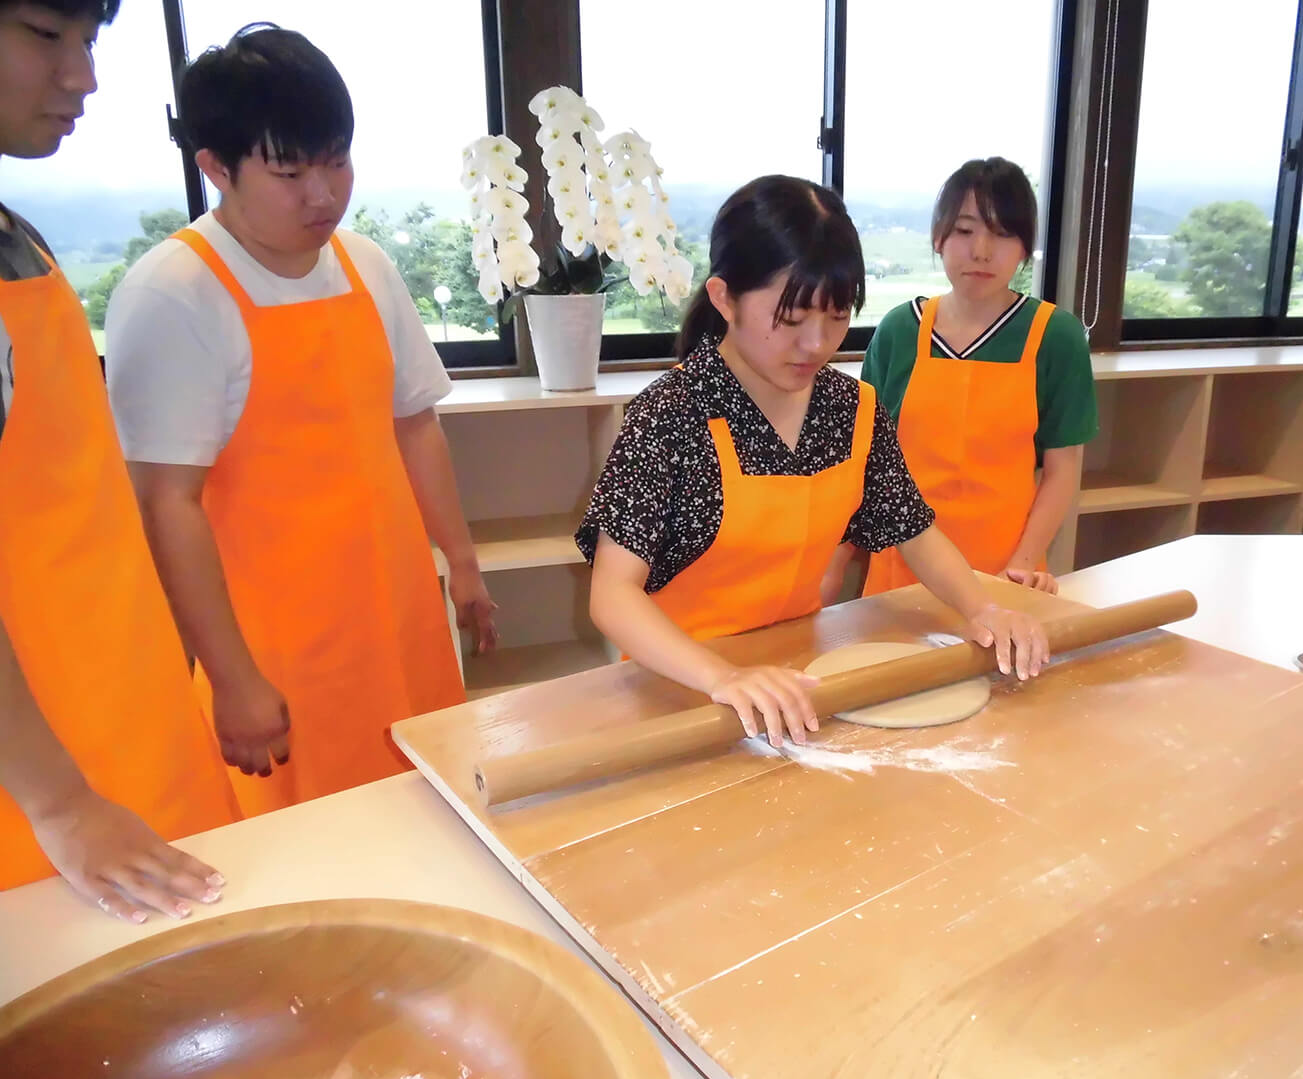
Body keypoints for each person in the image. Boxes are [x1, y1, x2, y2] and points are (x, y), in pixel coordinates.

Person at [105, 24, 495, 816]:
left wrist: (461, 560)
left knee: (432, 809)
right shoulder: (173, 291)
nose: (323, 193)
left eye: (338, 160)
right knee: (309, 840)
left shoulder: (366, 264)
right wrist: (234, 677)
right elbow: (163, 504)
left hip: (395, 612)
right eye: (290, 170)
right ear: (215, 166)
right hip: (275, 642)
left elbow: (414, 425)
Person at [576, 175, 1051, 750]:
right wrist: (722, 677)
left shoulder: (850, 408)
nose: (817, 344)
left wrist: (984, 609)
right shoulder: (669, 416)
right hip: (678, 683)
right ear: (725, 298)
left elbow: (913, 530)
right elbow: (613, 594)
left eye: (835, 317)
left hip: (794, 676)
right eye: (791, 319)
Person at [0, 0, 237, 918]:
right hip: (45, 784)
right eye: (42, 35)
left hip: (120, 718)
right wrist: (60, 802)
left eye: (90, 41)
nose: (82, 77)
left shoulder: (17, 234)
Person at [828, 157, 1097, 599]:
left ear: (1025, 248)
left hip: (1005, 571)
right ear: (939, 238)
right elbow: (865, 464)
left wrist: (1023, 564)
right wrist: (837, 562)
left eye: (1003, 233)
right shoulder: (900, 330)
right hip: (902, 571)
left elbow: (1061, 470)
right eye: (965, 230)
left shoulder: (1056, 337)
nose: (982, 251)